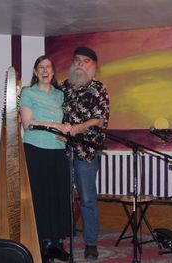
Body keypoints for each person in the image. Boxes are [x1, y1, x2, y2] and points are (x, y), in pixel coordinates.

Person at [19, 55, 71, 262]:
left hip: (58, 149)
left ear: (53, 71)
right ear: (35, 72)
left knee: (58, 195)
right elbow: (27, 123)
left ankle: (57, 243)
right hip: (35, 148)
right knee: (40, 196)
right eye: (41, 67)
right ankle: (42, 244)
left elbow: (67, 121)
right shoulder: (28, 93)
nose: (45, 70)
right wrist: (55, 125)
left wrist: (65, 131)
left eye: (48, 67)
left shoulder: (60, 95)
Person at [61, 46, 110, 259]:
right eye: (77, 60)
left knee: (88, 199)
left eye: (86, 61)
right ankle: (61, 237)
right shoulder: (63, 87)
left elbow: (100, 119)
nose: (81, 64)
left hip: (87, 153)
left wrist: (77, 129)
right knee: (62, 197)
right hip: (62, 150)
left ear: (94, 66)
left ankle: (91, 243)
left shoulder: (99, 89)